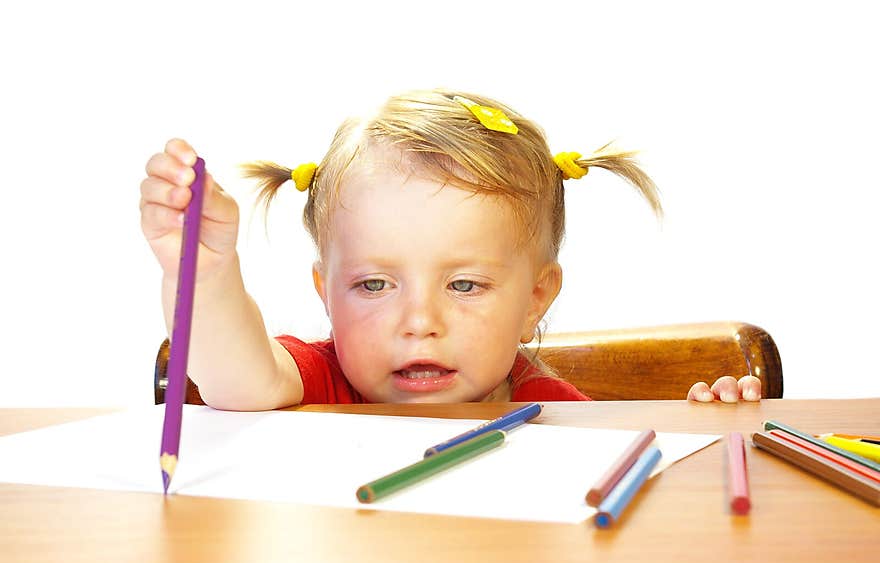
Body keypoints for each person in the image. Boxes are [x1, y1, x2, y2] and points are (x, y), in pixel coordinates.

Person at [139, 88, 761, 409]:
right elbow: (236, 379)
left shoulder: (546, 412)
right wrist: (208, 273)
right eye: (374, 285)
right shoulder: (321, 380)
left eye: (464, 285)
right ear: (324, 292)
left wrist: (713, 426)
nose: (419, 325)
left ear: (534, 299)